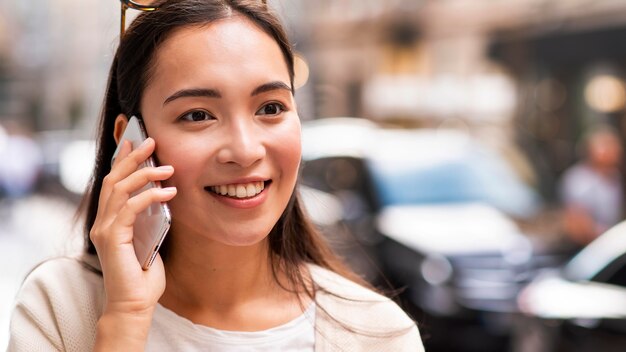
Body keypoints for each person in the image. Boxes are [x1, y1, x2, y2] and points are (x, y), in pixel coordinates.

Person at [7, 0, 424, 351]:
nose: (245, 151)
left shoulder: (379, 334)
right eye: (198, 115)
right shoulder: (61, 307)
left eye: (270, 108)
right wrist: (125, 320)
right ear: (129, 143)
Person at [559, 125, 624, 248]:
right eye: (607, 145)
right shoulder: (579, 180)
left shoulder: (615, 176)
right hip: (588, 249)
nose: (615, 151)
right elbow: (577, 226)